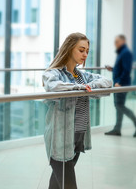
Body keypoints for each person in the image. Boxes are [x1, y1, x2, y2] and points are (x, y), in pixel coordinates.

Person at [42, 32, 112, 189]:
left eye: (87, 51)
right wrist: (78, 88)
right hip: (60, 139)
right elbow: (52, 86)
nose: (85, 54)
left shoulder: (82, 76)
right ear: (69, 49)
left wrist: (88, 87)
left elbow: (107, 82)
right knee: (69, 185)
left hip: (78, 137)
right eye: (81, 50)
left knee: (57, 182)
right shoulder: (54, 73)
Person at [105, 35, 136, 137]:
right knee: (118, 106)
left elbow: (127, 70)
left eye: (117, 41)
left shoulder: (125, 53)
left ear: (123, 41)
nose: (115, 44)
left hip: (121, 84)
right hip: (119, 83)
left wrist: (119, 82)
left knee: (119, 105)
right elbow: (122, 68)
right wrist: (112, 69)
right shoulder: (121, 52)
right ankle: (117, 129)